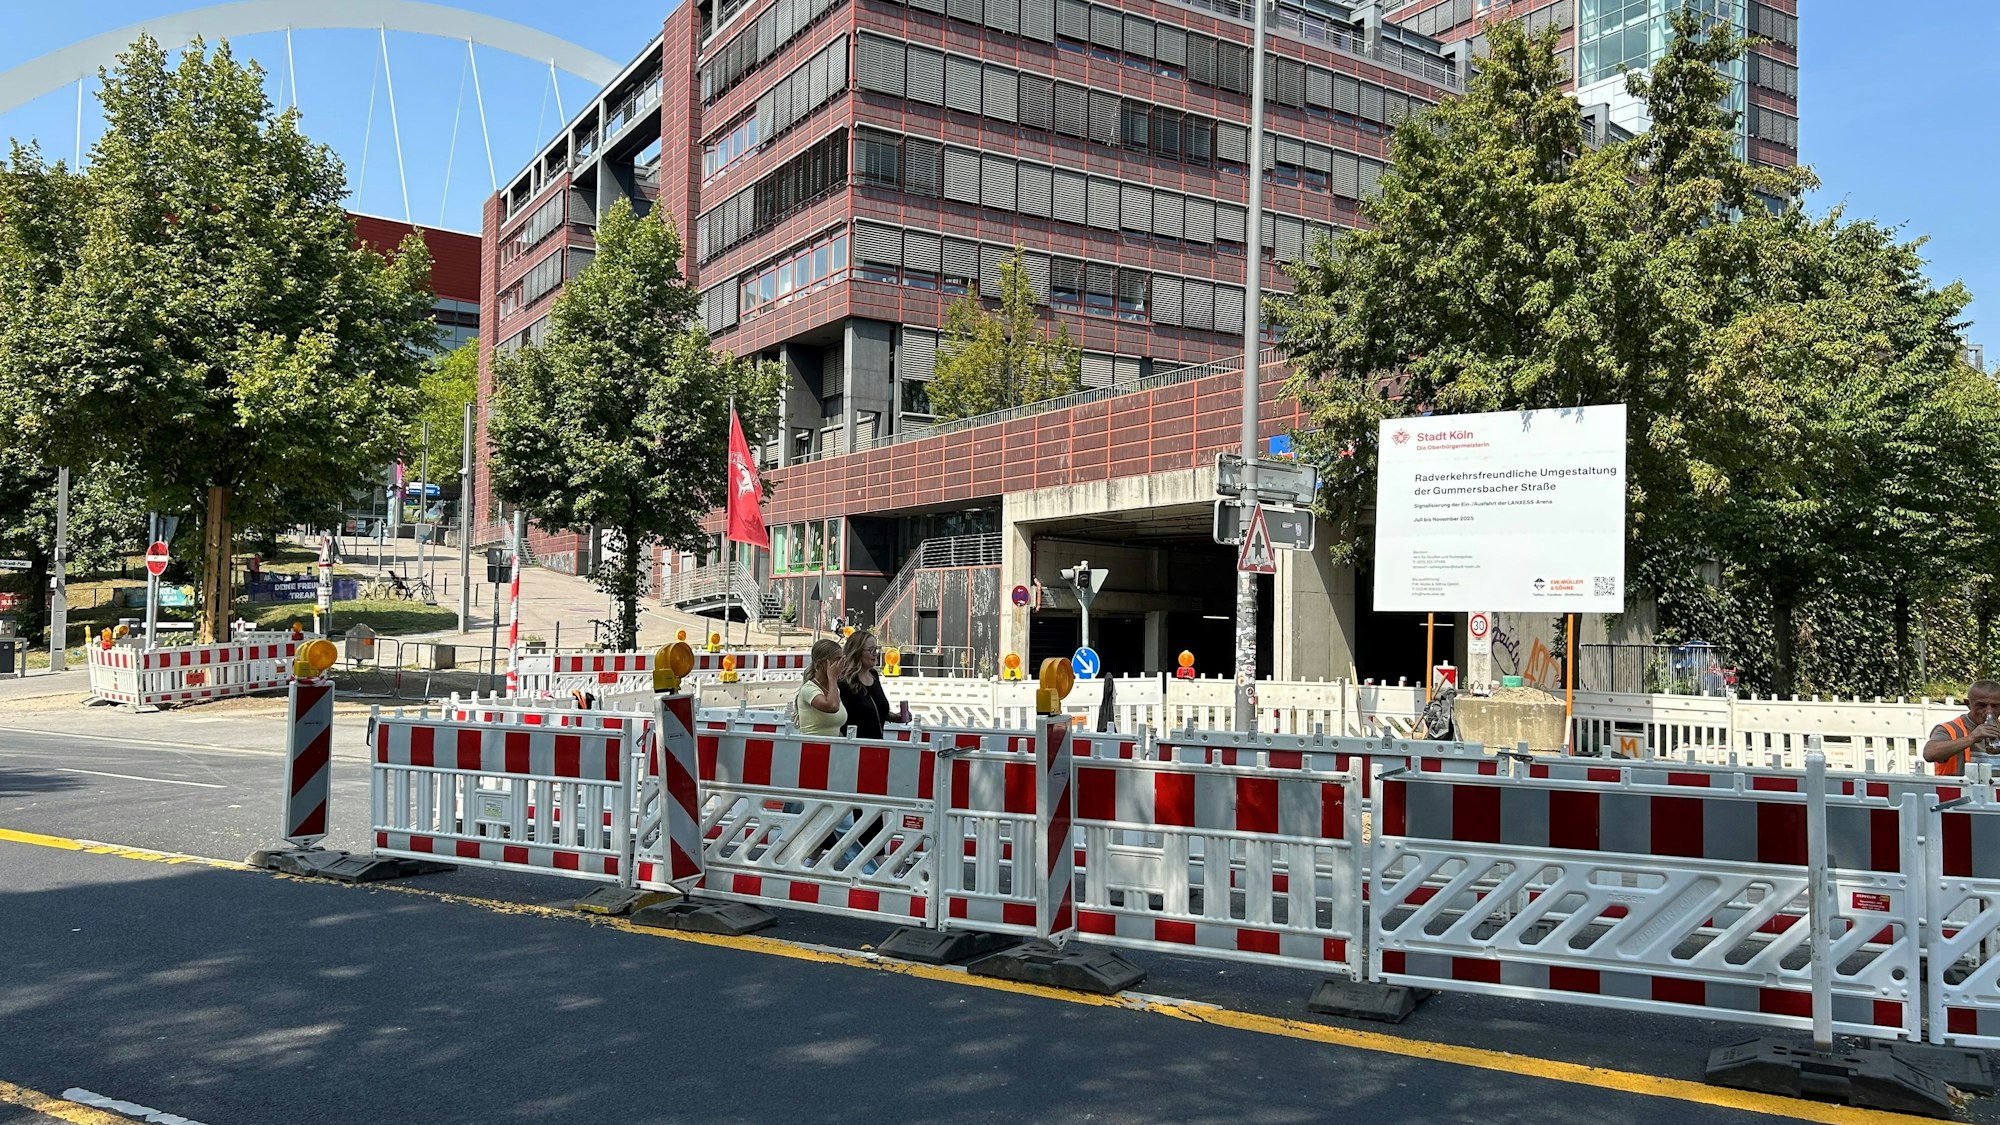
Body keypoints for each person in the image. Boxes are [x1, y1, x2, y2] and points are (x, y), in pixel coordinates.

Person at [839, 628, 911, 739]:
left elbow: (875, 709)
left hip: (877, 746)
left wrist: (894, 717)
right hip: (855, 749)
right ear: (857, 652)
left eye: (876, 649)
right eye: (871, 650)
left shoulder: (873, 675)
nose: (876, 654)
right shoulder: (844, 682)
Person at [1923, 679, 2000, 775]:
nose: (1989, 711)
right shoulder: (1950, 729)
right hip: (1959, 789)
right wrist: (1971, 738)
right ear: (1968, 704)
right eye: (1981, 705)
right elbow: (1929, 754)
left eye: (1995, 706)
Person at [794, 639, 846, 736]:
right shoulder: (808, 689)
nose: (842, 664)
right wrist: (833, 678)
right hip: (813, 748)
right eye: (837, 660)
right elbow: (832, 706)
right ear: (820, 663)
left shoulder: (834, 690)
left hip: (832, 749)